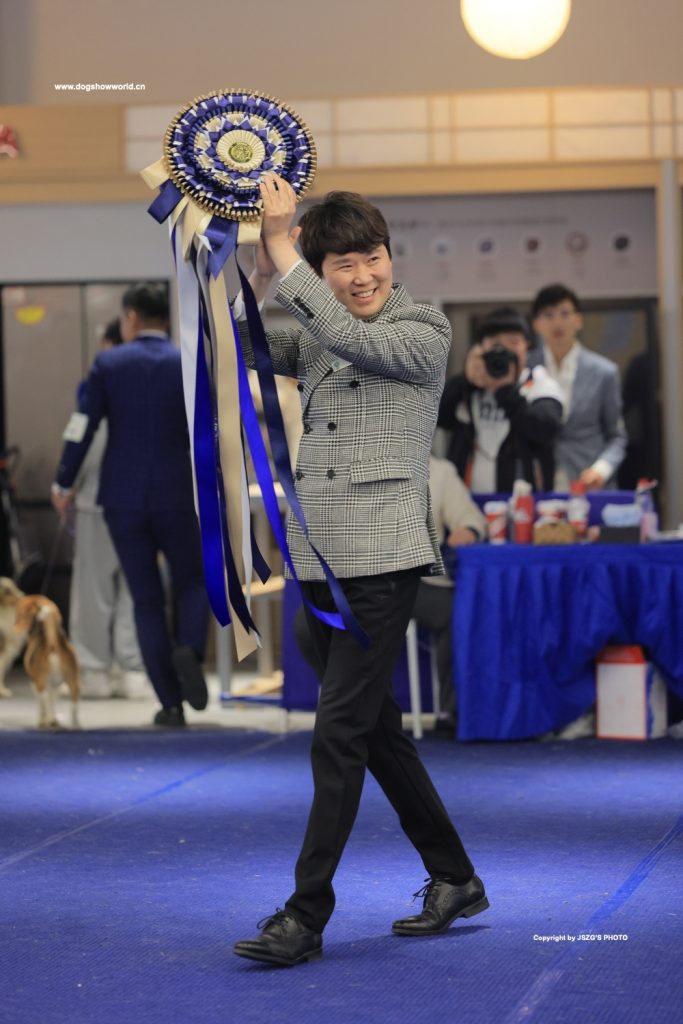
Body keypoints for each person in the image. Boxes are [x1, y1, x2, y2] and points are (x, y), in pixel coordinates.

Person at [232, 178, 488, 968]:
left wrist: (285, 248)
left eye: (371, 257)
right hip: (317, 561)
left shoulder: (421, 329)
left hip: (381, 561)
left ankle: (304, 915)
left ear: (389, 256)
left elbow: (349, 337)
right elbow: (236, 345)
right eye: (342, 264)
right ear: (321, 270)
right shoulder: (315, 329)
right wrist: (242, 270)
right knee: (376, 734)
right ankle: (455, 877)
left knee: (337, 735)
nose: (362, 274)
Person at [51, 283, 210, 727]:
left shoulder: (108, 363)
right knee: (191, 582)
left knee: (145, 599)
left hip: (122, 499)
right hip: (178, 494)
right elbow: (207, 426)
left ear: (131, 318)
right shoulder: (187, 361)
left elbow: (83, 425)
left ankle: (170, 703)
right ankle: (190, 649)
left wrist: (63, 480)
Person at [67, 319, 148, 700]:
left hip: (96, 500)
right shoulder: (150, 382)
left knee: (95, 590)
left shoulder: (97, 384)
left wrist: (63, 482)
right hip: (140, 500)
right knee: (135, 588)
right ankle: (131, 671)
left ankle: (94, 669)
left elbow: (82, 438)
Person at [437, 308, 564, 493]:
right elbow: (436, 419)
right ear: (480, 348)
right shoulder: (469, 386)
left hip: (525, 503)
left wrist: (505, 391)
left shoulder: (540, 383)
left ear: (527, 346)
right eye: (496, 344)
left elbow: (546, 429)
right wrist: (464, 379)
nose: (505, 351)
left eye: (513, 342)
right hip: (467, 501)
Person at [529, 284, 627, 489]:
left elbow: (616, 436)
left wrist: (601, 469)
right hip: (537, 479)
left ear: (578, 320)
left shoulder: (604, 372)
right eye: (548, 315)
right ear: (536, 324)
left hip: (588, 478)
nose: (557, 322)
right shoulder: (525, 368)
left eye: (565, 313)